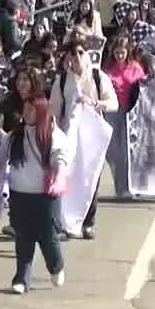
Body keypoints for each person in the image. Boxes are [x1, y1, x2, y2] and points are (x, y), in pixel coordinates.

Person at [1, 96, 72, 295]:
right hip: (20, 194)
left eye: (31, 109)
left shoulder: (51, 133)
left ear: (41, 111)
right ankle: (22, 278)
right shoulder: (16, 134)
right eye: (25, 108)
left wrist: (59, 171)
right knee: (23, 238)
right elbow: (1, 152)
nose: (27, 112)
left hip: (46, 195)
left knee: (48, 237)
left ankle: (56, 266)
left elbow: (60, 154)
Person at [50, 40, 117, 239]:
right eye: (73, 53)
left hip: (92, 137)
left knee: (91, 176)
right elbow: (54, 110)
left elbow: (114, 103)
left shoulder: (98, 76)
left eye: (81, 52)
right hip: (68, 136)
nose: (77, 57)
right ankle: (66, 218)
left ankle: (88, 222)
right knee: (68, 175)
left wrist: (95, 103)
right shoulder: (62, 80)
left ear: (87, 54)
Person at [101, 34, 145, 199]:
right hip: (112, 112)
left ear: (128, 52)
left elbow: (145, 88)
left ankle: (128, 187)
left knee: (127, 151)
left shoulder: (135, 68)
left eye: (122, 53)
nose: (119, 56)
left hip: (130, 111)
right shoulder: (107, 69)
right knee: (112, 152)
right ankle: (120, 186)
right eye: (117, 53)